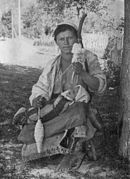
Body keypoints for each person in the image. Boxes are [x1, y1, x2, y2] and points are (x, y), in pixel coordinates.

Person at [13, 22, 106, 171]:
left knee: (79, 112)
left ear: (77, 39)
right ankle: (33, 124)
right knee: (31, 127)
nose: (66, 42)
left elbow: (99, 86)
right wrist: (38, 98)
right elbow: (41, 87)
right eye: (62, 39)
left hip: (77, 105)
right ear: (56, 42)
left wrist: (82, 73)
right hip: (57, 106)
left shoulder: (88, 57)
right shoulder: (53, 64)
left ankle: (70, 153)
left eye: (70, 38)